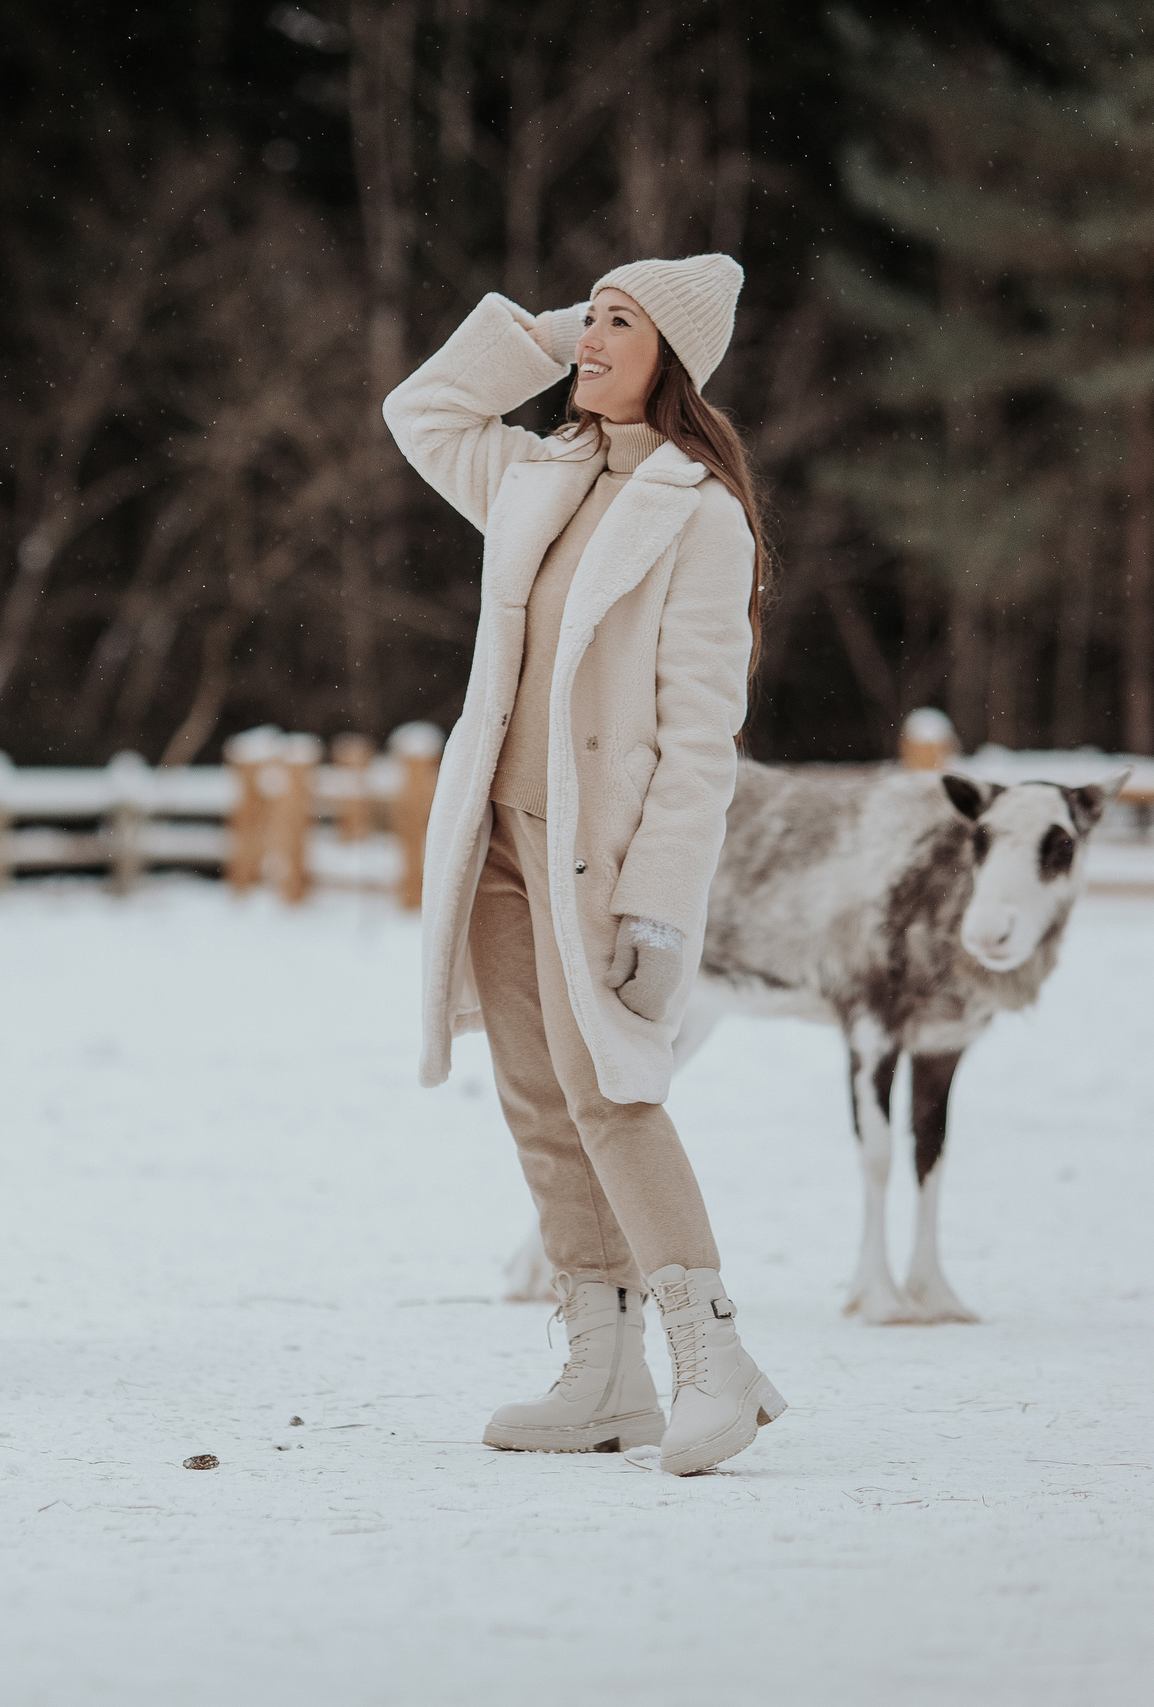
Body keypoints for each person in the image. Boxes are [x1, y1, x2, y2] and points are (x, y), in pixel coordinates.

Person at [382, 255, 784, 1476]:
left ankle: (713, 1363)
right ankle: (603, 1369)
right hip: (497, 844)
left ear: (674, 357)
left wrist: (660, 909)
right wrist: (555, 333)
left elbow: (700, 734)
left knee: (613, 1097)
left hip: (596, 862)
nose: (593, 343)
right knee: (537, 1100)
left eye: (621, 326)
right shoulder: (534, 473)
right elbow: (423, 411)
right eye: (591, 320)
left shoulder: (698, 513)